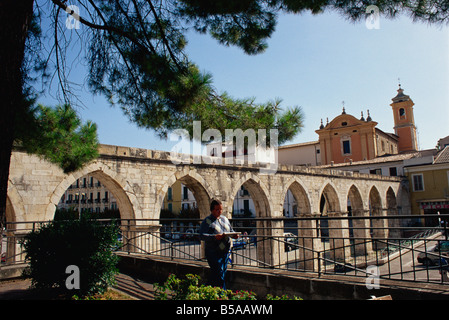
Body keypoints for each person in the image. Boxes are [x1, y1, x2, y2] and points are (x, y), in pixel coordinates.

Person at [199, 199, 239, 289]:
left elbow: (230, 231)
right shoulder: (208, 221)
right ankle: (222, 294)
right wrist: (214, 237)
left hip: (225, 251)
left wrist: (234, 235)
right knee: (219, 272)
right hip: (213, 252)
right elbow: (202, 235)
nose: (220, 211)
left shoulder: (225, 219)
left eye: (221, 209)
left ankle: (208, 289)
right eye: (217, 209)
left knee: (221, 273)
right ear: (212, 210)